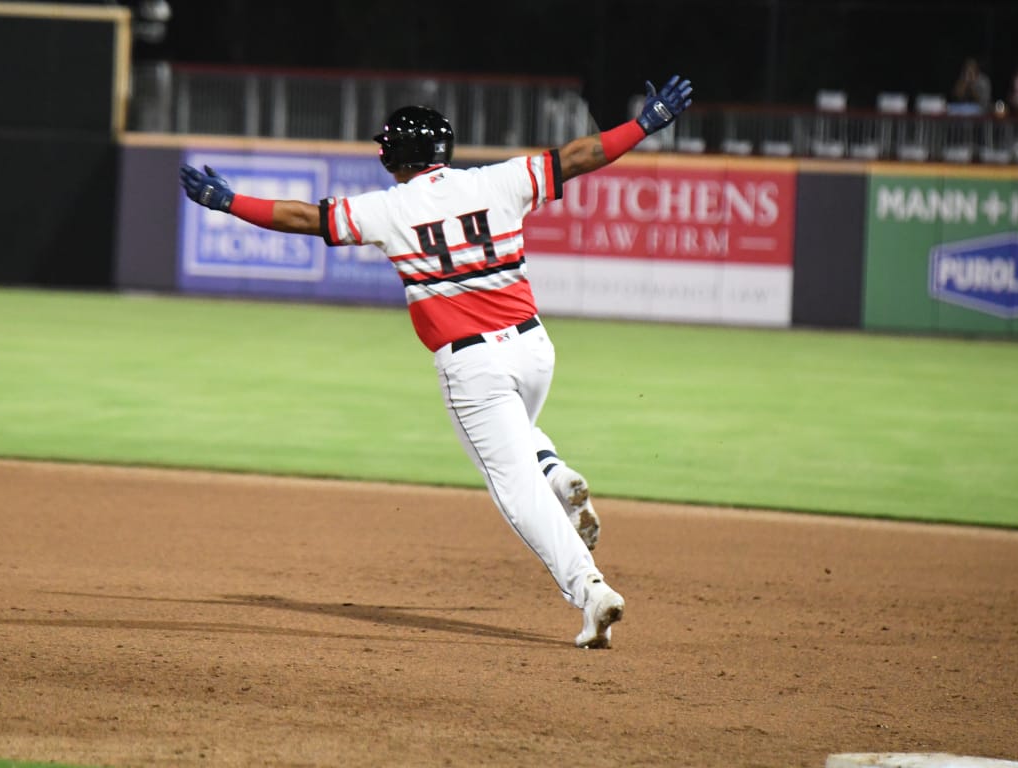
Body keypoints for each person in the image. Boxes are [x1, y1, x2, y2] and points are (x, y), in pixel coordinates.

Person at [179, 75, 695, 649]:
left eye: (387, 145)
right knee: (518, 435)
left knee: (513, 489)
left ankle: (590, 589)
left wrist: (229, 203)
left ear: (401, 154)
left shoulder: (387, 209)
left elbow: (303, 218)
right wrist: (644, 124)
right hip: (533, 349)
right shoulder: (499, 180)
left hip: (474, 365)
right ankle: (556, 472)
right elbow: (579, 155)